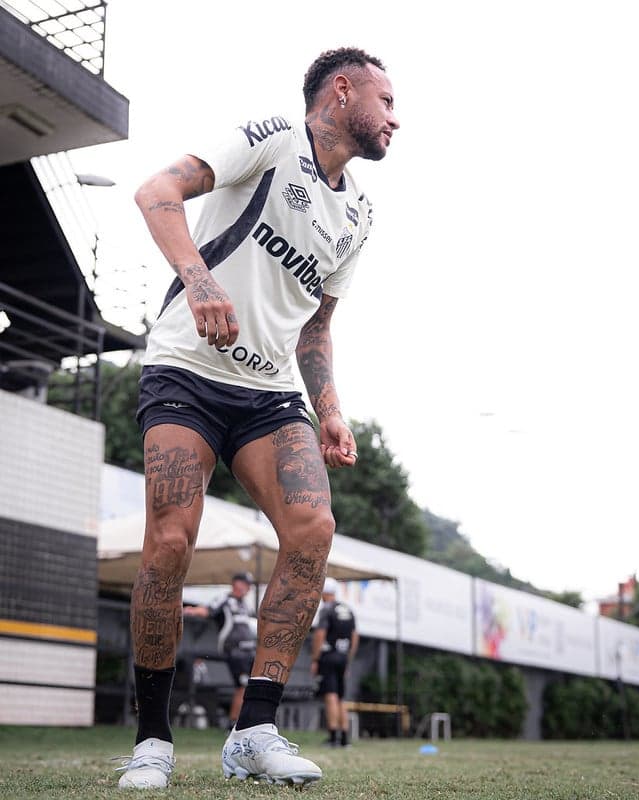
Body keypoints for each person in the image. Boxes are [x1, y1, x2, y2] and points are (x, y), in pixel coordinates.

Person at [116, 46, 399, 790]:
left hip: (271, 395)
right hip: (187, 369)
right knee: (171, 540)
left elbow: (314, 329)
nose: (396, 119)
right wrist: (200, 280)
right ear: (342, 92)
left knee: (314, 529)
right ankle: (152, 740)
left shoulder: (361, 213)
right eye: (387, 102)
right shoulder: (273, 139)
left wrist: (330, 411)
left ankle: (255, 730)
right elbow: (155, 192)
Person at [183, 572, 257, 728]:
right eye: (245, 584)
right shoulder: (225, 599)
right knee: (242, 686)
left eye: (249, 585)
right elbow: (208, 610)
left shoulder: (245, 605)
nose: (247, 588)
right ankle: (234, 724)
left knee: (254, 686)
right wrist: (192, 610)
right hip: (235, 651)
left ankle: (249, 723)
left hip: (250, 650)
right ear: (236, 583)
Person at [311, 577, 359, 747]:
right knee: (341, 697)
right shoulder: (348, 609)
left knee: (330, 695)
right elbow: (354, 637)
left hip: (328, 657)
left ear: (324, 593)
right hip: (343, 658)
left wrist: (315, 658)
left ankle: (333, 736)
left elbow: (319, 634)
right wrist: (348, 659)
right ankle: (345, 737)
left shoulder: (327, 609)